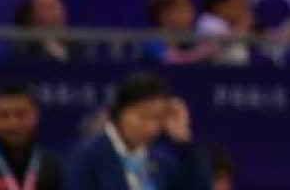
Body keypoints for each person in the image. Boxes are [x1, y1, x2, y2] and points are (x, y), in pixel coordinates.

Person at [63, 71, 210, 190]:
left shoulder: (160, 161)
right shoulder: (87, 157)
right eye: (143, 116)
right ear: (120, 112)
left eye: (158, 118)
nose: (151, 127)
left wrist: (183, 139)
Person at [0, 82, 66, 190]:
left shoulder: (52, 168)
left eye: (20, 114)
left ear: (36, 116)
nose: (12, 124)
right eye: (3, 116)